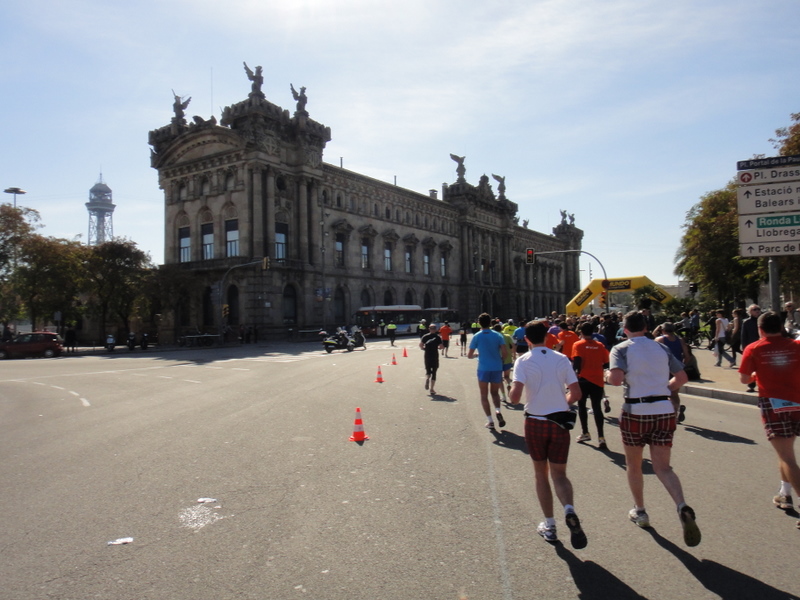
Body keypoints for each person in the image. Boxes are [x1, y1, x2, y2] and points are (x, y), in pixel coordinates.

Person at [607, 310, 701, 547]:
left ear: (625, 329)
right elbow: (681, 378)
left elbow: (616, 380)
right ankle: (681, 505)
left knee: (635, 466)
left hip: (635, 411)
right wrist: (662, 389)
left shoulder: (621, 349)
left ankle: (640, 510)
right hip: (663, 410)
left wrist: (608, 374)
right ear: (647, 328)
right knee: (664, 467)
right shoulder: (661, 348)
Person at [509, 320, 586, 548]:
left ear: (526, 339)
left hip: (535, 421)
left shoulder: (523, 360)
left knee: (540, 474)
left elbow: (514, 397)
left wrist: (514, 391)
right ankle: (569, 510)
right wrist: (563, 402)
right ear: (547, 337)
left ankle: (550, 526)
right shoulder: (561, 359)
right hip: (559, 421)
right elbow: (577, 393)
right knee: (559, 474)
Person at [739, 311, 800, 525]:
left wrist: (757, 375)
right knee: (785, 453)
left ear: (760, 329)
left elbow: (745, 379)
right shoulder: (796, 346)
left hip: (773, 403)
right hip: (797, 401)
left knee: (787, 457)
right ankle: (785, 493)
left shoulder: (754, 348)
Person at [468, 313, 509, 430]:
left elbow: (469, 355)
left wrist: (477, 354)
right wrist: (499, 360)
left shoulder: (477, 336)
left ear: (479, 323)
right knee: (495, 393)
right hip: (496, 367)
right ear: (491, 322)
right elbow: (505, 353)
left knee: (483, 395)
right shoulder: (498, 335)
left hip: (483, 368)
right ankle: (498, 410)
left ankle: (490, 421)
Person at [572, 322, 610, 449]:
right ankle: (601, 437)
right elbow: (606, 363)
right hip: (597, 380)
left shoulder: (578, 344)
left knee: (582, 406)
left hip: (583, 379)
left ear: (581, 332)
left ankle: (585, 432)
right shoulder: (600, 345)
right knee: (597, 408)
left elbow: (576, 362)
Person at [655, 322, 690, 423]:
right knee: (674, 393)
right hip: (676, 370)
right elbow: (687, 356)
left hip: (663, 370)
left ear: (662, 330)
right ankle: (675, 414)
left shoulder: (660, 340)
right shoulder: (680, 340)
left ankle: (666, 413)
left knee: (661, 393)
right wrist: (681, 366)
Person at [740, 305, 761, 393]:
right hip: (751, 347)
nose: (757, 311)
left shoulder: (763, 320)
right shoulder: (747, 322)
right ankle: (751, 385)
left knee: (761, 367)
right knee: (751, 368)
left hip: (762, 346)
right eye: (754, 309)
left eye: (758, 309)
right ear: (750, 312)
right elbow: (744, 336)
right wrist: (744, 348)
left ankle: (762, 385)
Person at [419, 324, 442, 395]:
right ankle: (432, 389)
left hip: (427, 355)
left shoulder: (425, 336)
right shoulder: (438, 337)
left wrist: (424, 349)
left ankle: (427, 378)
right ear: (435, 329)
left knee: (428, 370)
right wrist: (439, 347)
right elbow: (441, 346)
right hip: (434, 355)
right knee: (434, 372)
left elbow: (420, 345)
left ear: (429, 329)